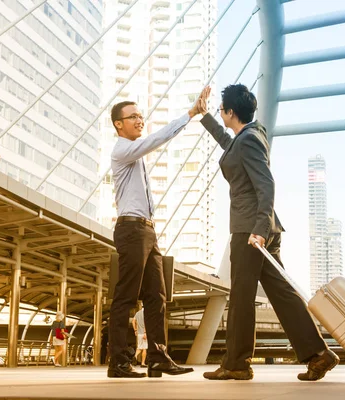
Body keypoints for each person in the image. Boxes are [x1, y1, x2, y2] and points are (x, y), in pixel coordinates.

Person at [199, 84, 340, 381]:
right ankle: (319, 355)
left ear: (231, 112)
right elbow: (229, 144)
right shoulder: (249, 136)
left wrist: (259, 230)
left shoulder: (248, 140)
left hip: (250, 229)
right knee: (282, 294)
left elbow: (266, 184)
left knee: (240, 296)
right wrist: (204, 117)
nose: (219, 113)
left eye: (219, 110)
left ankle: (236, 363)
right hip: (262, 226)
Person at [107, 87, 209, 378]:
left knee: (157, 295)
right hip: (131, 229)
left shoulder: (134, 153)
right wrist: (190, 114)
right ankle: (119, 362)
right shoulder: (123, 150)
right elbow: (157, 139)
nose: (140, 120)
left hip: (146, 231)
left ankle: (158, 358)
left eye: (141, 115)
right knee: (126, 297)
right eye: (133, 117)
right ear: (119, 124)